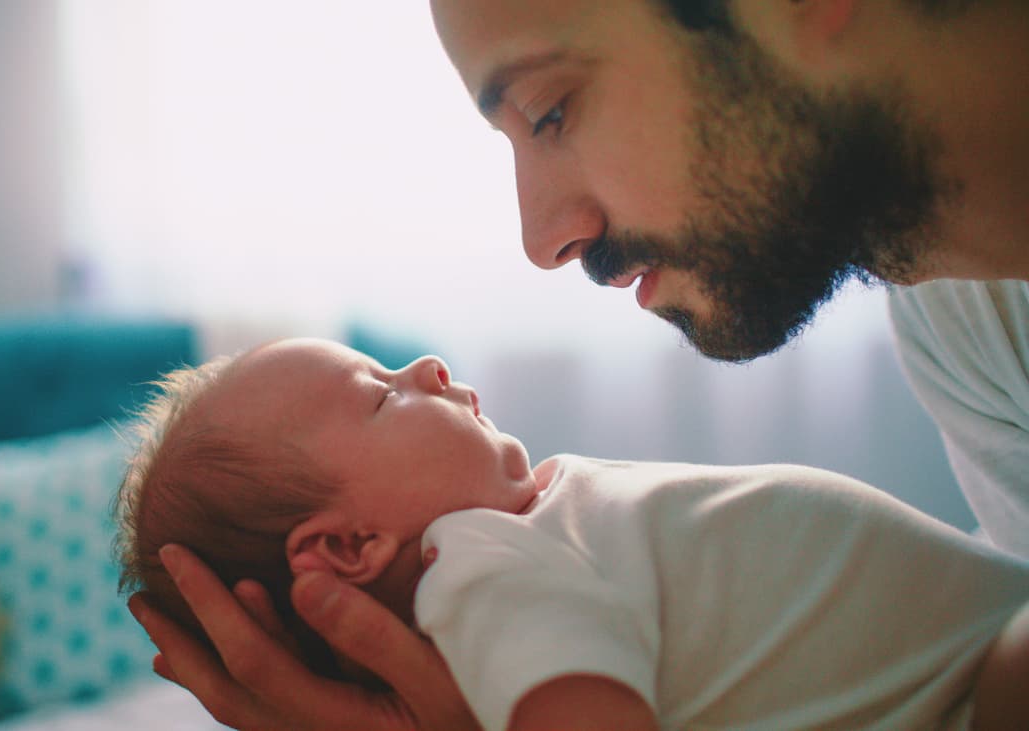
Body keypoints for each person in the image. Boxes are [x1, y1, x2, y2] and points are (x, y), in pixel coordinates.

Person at [130, 0, 1029, 726]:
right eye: (378, 395)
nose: (543, 238)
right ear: (348, 547)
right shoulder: (961, 314)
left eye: (551, 110)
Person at [119, 337, 1029, 730]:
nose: (428, 364)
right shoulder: (477, 569)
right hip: (981, 686)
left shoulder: (530, 534)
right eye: (381, 391)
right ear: (350, 548)